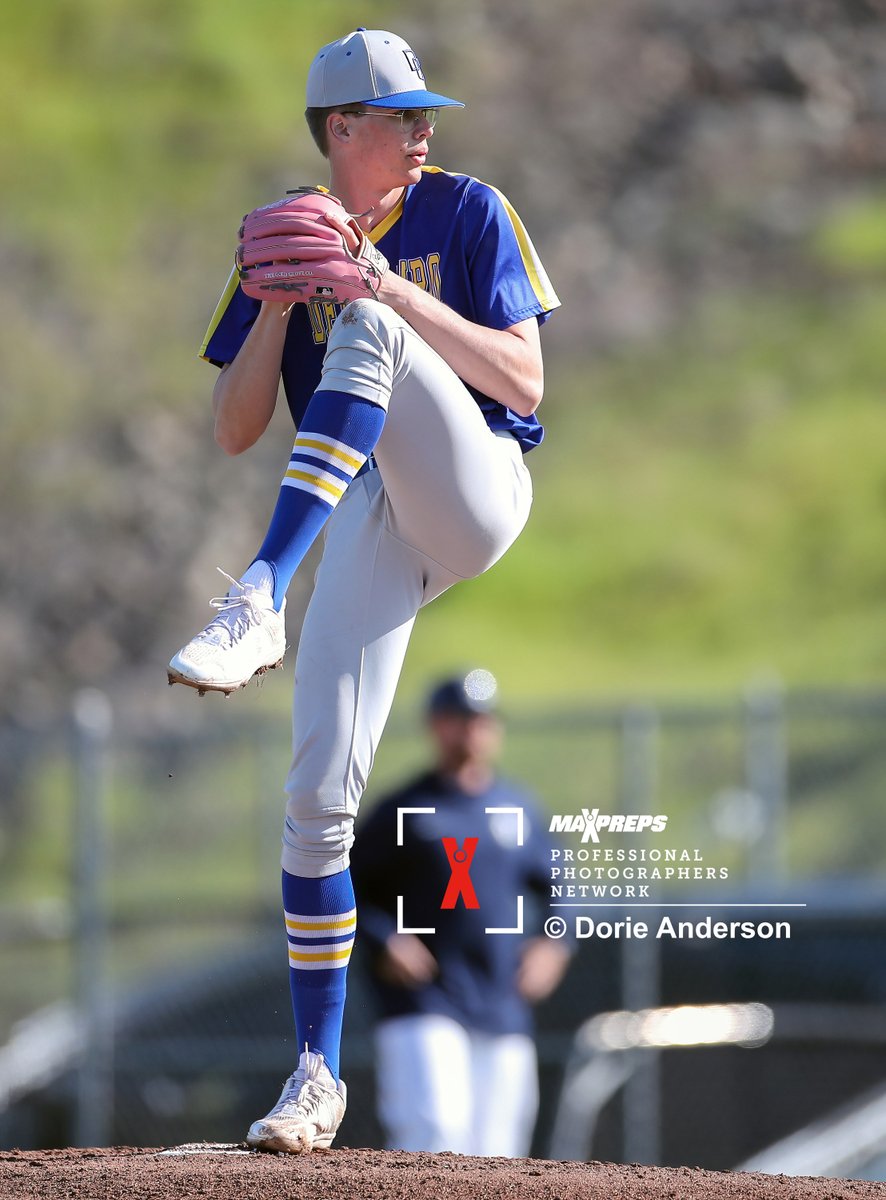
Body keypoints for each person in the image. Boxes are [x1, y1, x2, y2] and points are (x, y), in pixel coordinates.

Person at [167, 29, 560, 1153]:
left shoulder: (469, 209)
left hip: (476, 484)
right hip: (374, 514)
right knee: (316, 802)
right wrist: (280, 301)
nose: (424, 130)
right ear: (342, 129)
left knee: (379, 326)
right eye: (400, 115)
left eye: (423, 112)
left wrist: (378, 285)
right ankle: (313, 1078)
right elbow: (237, 429)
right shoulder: (291, 235)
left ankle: (258, 590)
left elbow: (526, 377)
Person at [351, 670, 571, 1157]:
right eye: (458, 718)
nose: (471, 729)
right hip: (423, 997)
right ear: (435, 726)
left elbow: (564, 887)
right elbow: (344, 886)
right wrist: (385, 938)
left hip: (501, 996)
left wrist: (556, 943)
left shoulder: (518, 807)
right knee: (434, 1131)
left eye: (482, 719)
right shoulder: (404, 808)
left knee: (499, 1153)